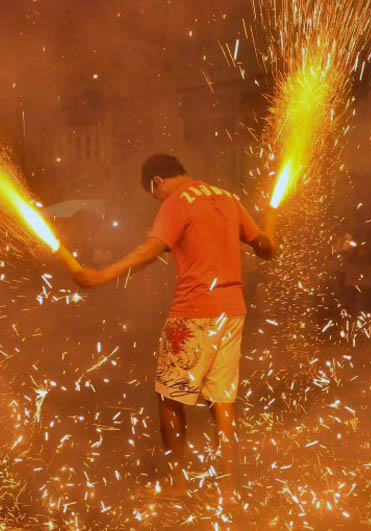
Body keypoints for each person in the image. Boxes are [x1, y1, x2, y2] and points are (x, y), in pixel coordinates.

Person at [71, 154, 277, 504]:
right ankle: (228, 491)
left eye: (155, 194)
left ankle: (177, 484)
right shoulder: (227, 197)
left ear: (157, 182)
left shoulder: (177, 201)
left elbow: (153, 250)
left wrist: (102, 275)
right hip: (232, 311)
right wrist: (268, 240)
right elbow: (264, 248)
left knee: (169, 398)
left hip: (193, 312)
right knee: (222, 401)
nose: (158, 200)